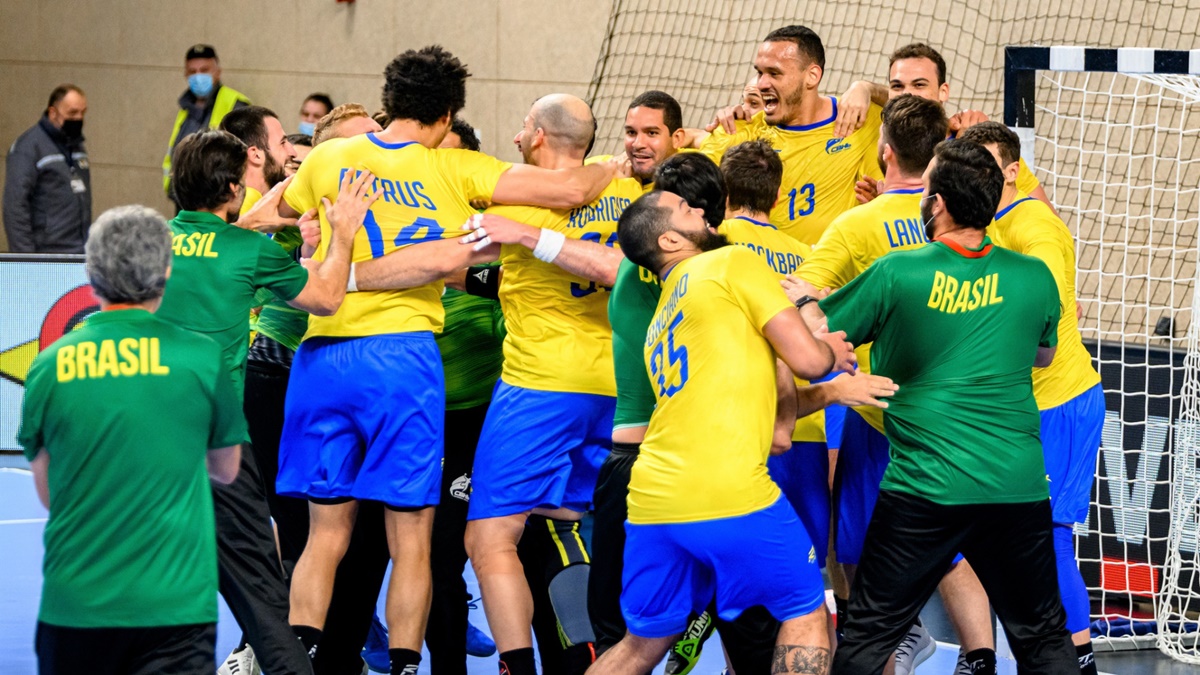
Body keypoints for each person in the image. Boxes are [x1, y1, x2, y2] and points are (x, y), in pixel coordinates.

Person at [278, 45, 623, 675]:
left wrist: (316, 251)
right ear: (446, 115)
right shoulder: (455, 168)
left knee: (325, 536)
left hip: (323, 356)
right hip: (405, 360)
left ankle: (294, 658)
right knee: (414, 540)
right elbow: (571, 189)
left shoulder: (328, 157)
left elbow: (268, 214)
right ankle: (410, 666)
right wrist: (615, 163)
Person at [788, 139, 1077, 675]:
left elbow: (815, 341)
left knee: (871, 632)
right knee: (1042, 637)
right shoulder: (1034, 276)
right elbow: (1044, 354)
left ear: (938, 203)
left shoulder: (899, 273)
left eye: (926, 191)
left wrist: (803, 300)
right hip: (1014, 485)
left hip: (925, 486)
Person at [586, 189, 858, 675]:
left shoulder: (665, 315)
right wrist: (830, 353)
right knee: (805, 612)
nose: (702, 211)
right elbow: (809, 362)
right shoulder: (732, 263)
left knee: (639, 646)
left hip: (652, 498)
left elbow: (769, 412)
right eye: (687, 209)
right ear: (670, 239)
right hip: (728, 490)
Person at [156, 128, 372, 675]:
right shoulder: (248, 251)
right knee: (260, 588)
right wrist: (342, 232)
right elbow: (324, 298)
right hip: (217, 442)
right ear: (233, 188)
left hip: (149, 433)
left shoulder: (151, 244)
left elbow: (200, 248)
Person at [791, 93, 991, 675]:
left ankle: (888, 642)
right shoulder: (976, 222)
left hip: (878, 409)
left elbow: (800, 294)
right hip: (951, 413)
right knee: (948, 544)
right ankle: (979, 657)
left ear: (884, 153)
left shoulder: (857, 224)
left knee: (853, 543)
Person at [447, 93, 642, 675]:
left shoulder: (512, 202)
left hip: (540, 385)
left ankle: (517, 667)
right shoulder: (628, 194)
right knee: (572, 519)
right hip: (616, 388)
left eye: (523, 128)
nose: (515, 139)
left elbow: (456, 261)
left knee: (489, 538)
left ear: (536, 135)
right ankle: (595, 652)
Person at [19, 205, 243, 675]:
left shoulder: (48, 365)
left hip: (77, 605)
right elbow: (226, 469)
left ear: (91, 271)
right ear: (166, 270)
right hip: (176, 607)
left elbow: (47, 492)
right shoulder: (202, 358)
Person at [958, 121, 1103, 675]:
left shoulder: (1034, 226)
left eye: (990, 168)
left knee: (1049, 536)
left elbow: (1041, 315)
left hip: (1059, 401)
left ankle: (1078, 660)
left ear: (1015, 171)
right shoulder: (992, 223)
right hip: (1018, 405)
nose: (981, 178)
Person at [696, 25, 885, 245]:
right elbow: (684, 190)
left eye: (774, 73)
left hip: (826, 275)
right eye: (759, 72)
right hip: (757, 272)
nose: (762, 84)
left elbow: (926, 111)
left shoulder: (858, 118)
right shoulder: (738, 130)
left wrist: (868, 88)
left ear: (812, 76)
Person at [851, 43, 1056, 214]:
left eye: (919, 85)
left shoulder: (986, 148)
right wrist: (882, 207)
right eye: (897, 86)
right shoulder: (877, 147)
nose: (907, 94)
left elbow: (1049, 221)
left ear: (943, 91)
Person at [4, 84, 91, 253]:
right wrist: (26, 259)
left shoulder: (76, 145)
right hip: (45, 253)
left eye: (83, 112)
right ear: (53, 113)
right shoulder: (28, 148)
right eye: (72, 113)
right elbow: (15, 207)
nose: (79, 118)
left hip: (78, 250)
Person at [162, 44, 250, 197]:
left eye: (204, 70)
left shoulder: (235, 104)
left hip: (216, 200)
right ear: (185, 74)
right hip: (183, 198)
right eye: (192, 71)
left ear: (217, 72)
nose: (198, 76)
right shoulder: (186, 108)